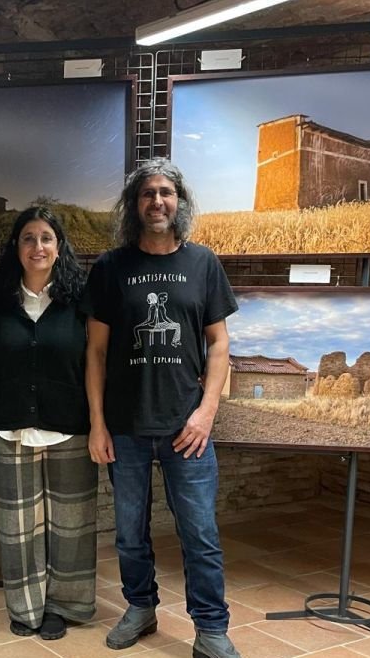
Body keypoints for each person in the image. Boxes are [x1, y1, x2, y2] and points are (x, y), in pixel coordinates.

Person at [84, 158, 242, 658]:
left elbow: (219, 346)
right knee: (130, 533)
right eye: (148, 193)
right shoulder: (111, 268)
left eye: (166, 192)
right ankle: (141, 607)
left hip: (186, 426)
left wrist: (206, 412)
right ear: (134, 205)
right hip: (126, 427)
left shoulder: (203, 264)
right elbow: (96, 352)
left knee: (199, 533)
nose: (157, 201)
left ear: (180, 202)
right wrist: (97, 424)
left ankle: (212, 629)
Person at [0, 207, 96, 641]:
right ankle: (25, 607)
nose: (38, 246)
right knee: (18, 527)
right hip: (11, 426)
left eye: (46, 238)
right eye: (28, 238)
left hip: (69, 424)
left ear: (59, 246)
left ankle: (65, 604)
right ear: (16, 247)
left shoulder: (80, 298)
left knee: (71, 523)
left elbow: (94, 361)